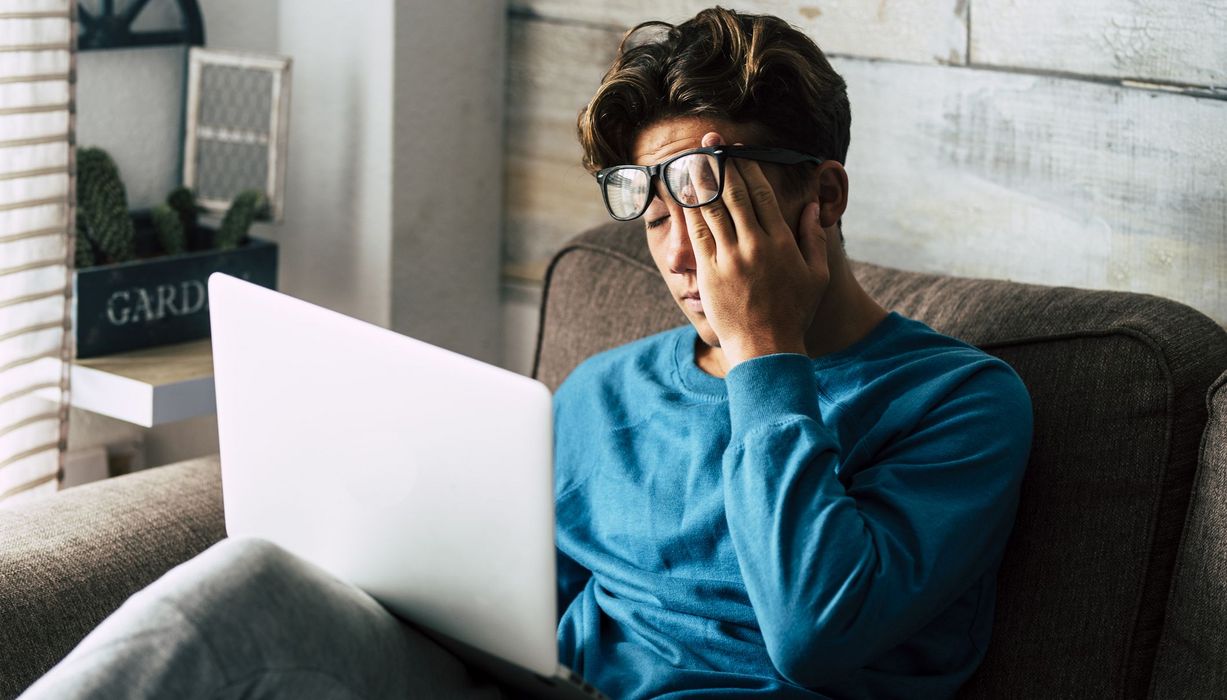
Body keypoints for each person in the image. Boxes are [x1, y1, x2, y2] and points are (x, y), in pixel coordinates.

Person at [20, 7, 1032, 700]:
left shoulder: (960, 402)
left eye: (705, 189)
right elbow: (503, 615)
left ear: (823, 199)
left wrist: (765, 351)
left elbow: (816, 630)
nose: (676, 246)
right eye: (648, 200)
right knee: (253, 587)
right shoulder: (603, 394)